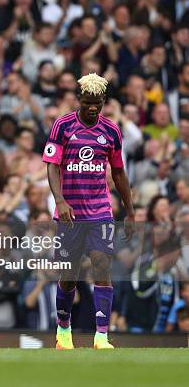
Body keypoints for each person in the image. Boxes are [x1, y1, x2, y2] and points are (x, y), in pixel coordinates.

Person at [43, 73, 135, 349]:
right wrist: (59, 200)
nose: (93, 108)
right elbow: (51, 165)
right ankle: (63, 332)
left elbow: (118, 171)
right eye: (87, 103)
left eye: (97, 103)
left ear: (103, 101)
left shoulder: (111, 131)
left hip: (100, 210)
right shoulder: (62, 126)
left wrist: (129, 210)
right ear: (78, 100)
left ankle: (102, 336)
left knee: (101, 264)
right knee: (69, 276)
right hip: (70, 213)